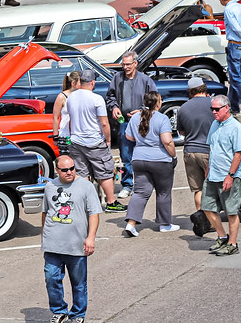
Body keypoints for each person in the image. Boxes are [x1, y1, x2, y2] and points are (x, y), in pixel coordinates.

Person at [41, 155, 100, 323]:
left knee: (78, 283)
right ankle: (59, 312)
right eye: (65, 170)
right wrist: (44, 235)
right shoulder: (50, 187)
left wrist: (90, 238)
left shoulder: (86, 186)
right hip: (53, 244)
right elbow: (46, 212)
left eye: (72, 168)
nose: (70, 172)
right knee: (52, 279)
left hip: (76, 245)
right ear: (57, 170)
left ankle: (77, 315)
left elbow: (94, 214)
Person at [65, 70, 126, 212]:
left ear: (80, 81)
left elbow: (70, 120)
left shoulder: (71, 98)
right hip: (94, 141)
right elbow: (104, 123)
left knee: (82, 173)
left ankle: (87, 205)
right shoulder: (97, 99)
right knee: (104, 172)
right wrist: (108, 140)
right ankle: (111, 202)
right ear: (92, 82)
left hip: (76, 141)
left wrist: (71, 136)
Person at [122, 92, 178, 237]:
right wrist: (173, 155)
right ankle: (164, 224)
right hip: (160, 160)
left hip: (139, 159)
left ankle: (131, 224)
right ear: (158, 103)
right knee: (163, 192)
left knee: (140, 192)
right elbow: (167, 141)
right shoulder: (162, 118)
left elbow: (129, 137)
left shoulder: (136, 117)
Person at [105, 50, 158, 199]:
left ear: (136, 63)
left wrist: (142, 111)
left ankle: (144, 184)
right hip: (124, 123)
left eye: (128, 64)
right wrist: (114, 107)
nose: (125, 67)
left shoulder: (146, 80)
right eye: (123, 64)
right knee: (126, 154)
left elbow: (154, 101)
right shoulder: (117, 78)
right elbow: (110, 97)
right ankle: (127, 184)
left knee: (143, 154)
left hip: (142, 123)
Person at [202, 94, 241, 256]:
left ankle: (232, 244)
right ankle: (222, 236)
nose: (214, 112)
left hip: (228, 176)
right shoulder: (214, 124)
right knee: (207, 208)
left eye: (217, 109)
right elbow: (211, 149)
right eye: (212, 109)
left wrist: (230, 175)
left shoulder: (236, 127)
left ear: (227, 108)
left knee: (231, 212)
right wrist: (208, 169)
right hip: (213, 175)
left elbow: (238, 154)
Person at [52, 71, 81, 155]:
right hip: (66, 134)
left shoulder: (81, 95)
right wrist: (55, 136)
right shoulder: (62, 96)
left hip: (79, 134)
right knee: (67, 159)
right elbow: (55, 117)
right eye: (80, 82)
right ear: (73, 83)